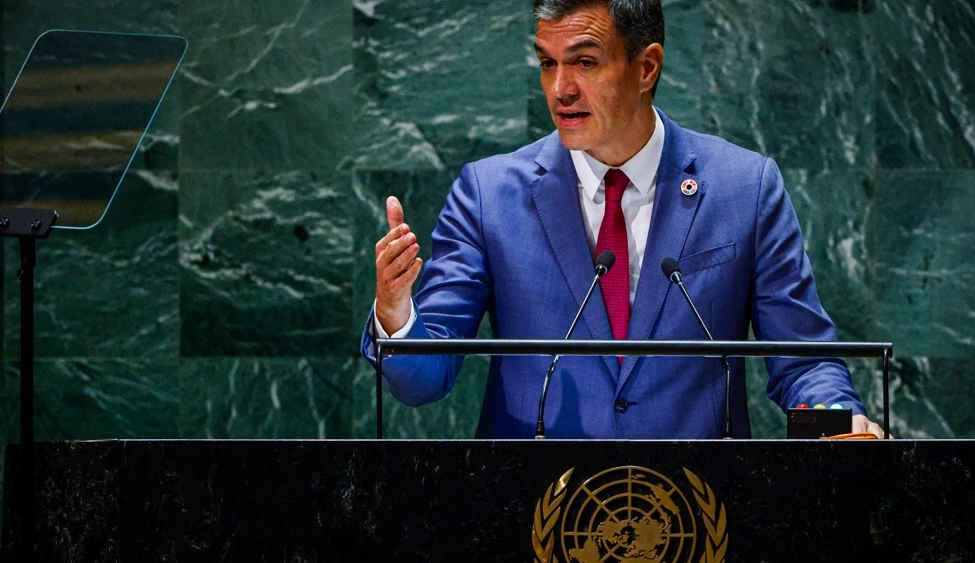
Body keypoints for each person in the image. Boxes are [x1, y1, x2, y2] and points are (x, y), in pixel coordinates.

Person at [360, 0, 886, 440]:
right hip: (527, 521)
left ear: (647, 68)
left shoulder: (743, 189)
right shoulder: (488, 194)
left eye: (584, 63)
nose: (560, 89)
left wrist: (838, 427)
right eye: (548, 63)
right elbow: (422, 379)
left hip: (696, 523)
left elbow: (805, 360)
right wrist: (396, 311)